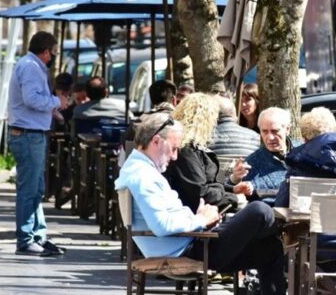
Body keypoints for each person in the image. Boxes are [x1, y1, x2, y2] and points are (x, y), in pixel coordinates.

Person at [114, 112, 286, 295]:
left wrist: (196, 216)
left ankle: (278, 232)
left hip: (187, 243)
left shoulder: (139, 169)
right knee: (260, 211)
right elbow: (161, 226)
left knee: (271, 248)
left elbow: (165, 219)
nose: (174, 157)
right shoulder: (143, 176)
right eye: (173, 148)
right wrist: (201, 220)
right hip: (186, 250)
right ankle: (283, 230)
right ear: (156, 141)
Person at [276, 107, 336, 295]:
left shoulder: (300, 167)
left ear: (305, 138)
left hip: (315, 244)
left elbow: (281, 206)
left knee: (286, 244)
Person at [7, 31, 69, 256]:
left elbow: (32, 100)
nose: (54, 57)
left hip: (32, 133)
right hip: (27, 135)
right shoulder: (32, 68)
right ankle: (25, 239)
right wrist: (56, 101)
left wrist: (52, 111)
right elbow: (31, 99)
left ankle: (38, 235)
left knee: (36, 189)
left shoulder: (32, 66)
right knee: (29, 189)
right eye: (53, 53)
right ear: (45, 53)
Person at [164, 93, 253, 213]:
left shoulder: (189, 147)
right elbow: (199, 192)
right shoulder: (186, 150)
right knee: (260, 211)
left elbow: (203, 186)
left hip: (202, 212)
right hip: (195, 217)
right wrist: (234, 198)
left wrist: (231, 189)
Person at [229, 107, 297, 205]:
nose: (270, 137)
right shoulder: (251, 163)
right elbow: (229, 193)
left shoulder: (304, 152)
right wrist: (235, 179)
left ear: (287, 129)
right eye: (264, 131)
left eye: (275, 131)